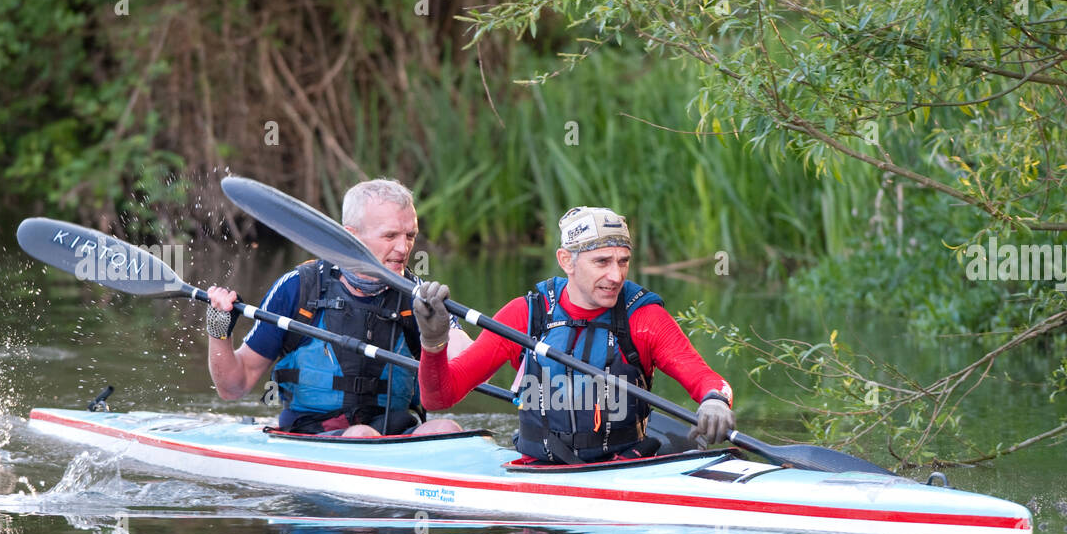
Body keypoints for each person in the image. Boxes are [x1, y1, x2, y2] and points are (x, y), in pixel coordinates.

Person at [412, 205, 735, 463]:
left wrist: (716, 401)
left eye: (623, 261)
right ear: (566, 261)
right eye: (602, 262)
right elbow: (439, 399)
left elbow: (706, 379)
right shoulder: (524, 315)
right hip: (539, 471)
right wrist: (434, 343)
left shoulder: (644, 317)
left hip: (626, 466)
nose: (616, 275)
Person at [205, 178, 468, 437]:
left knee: (447, 429)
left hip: (393, 430)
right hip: (309, 432)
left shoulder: (418, 296)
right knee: (361, 435)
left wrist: (437, 338)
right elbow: (233, 387)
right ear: (351, 237)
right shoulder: (298, 287)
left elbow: (468, 362)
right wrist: (218, 329)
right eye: (390, 235)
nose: (404, 247)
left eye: (410, 235)